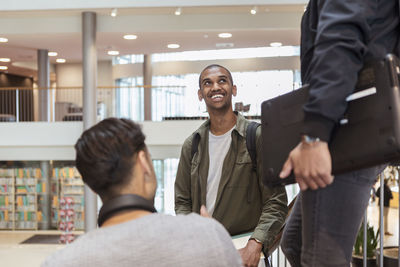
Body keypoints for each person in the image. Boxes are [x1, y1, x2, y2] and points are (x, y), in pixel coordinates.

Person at [280, 0, 400, 266]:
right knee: (294, 240)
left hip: (348, 127)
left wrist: (315, 135)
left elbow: (341, 40)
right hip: (359, 123)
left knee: (322, 258)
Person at [42, 118, 242, 267]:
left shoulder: (60, 262)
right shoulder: (206, 234)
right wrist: (210, 231)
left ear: (92, 184)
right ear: (144, 162)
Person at [175, 64, 288, 267]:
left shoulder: (257, 137)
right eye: (207, 83)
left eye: (222, 80)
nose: (215, 87)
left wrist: (256, 243)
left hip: (246, 254)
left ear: (233, 89)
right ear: (200, 94)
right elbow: (182, 202)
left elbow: (276, 201)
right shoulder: (192, 145)